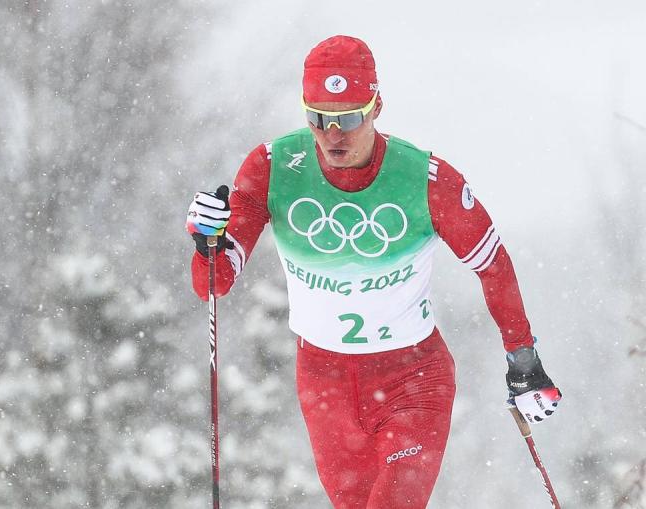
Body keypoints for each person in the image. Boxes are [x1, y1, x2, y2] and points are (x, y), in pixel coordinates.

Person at [185, 35, 562, 509]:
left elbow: (493, 266)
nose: (332, 135)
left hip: (412, 377)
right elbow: (212, 284)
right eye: (318, 118)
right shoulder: (273, 167)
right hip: (325, 384)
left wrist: (522, 359)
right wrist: (206, 243)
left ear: (376, 105)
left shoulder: (427, 179)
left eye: (347, 118)